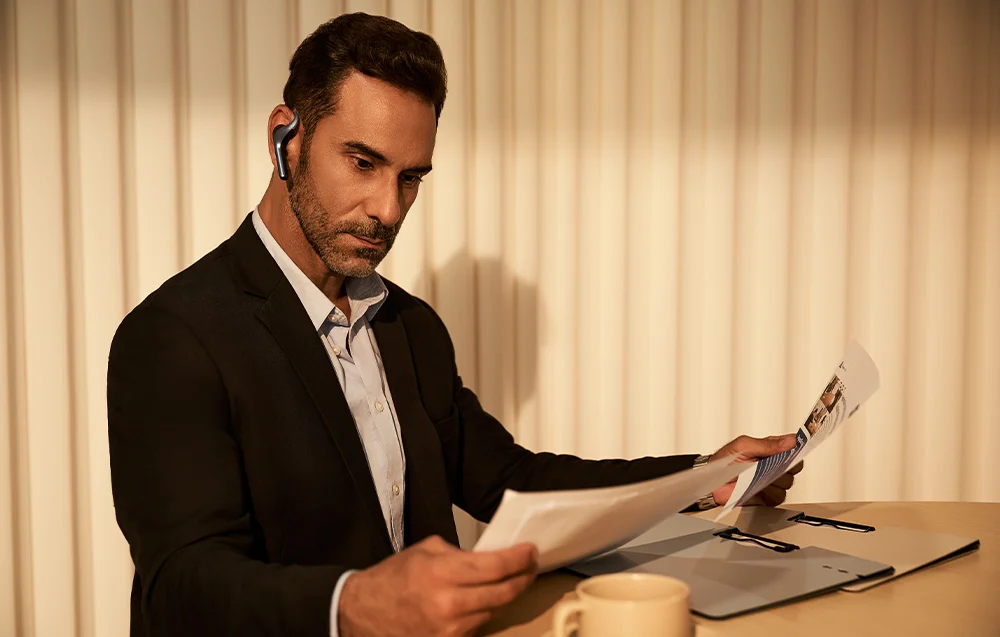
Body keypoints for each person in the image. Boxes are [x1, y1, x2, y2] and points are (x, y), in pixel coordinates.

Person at [107, 12, 801, 637]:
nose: (387, 209)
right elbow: (182, 585)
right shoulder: (172, 337)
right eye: (362, 162)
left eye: (410, 178)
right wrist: (351, 604)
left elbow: (512, 482)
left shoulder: (409, 326)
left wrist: (701, 477)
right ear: (285, 139)